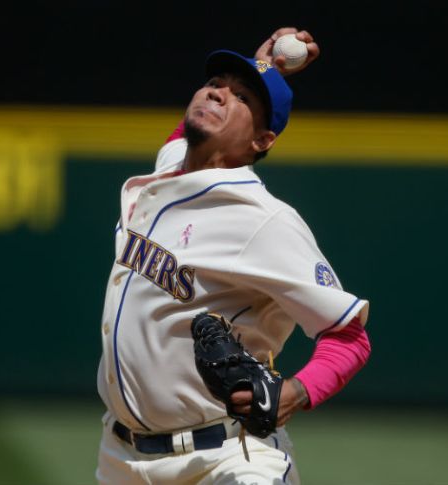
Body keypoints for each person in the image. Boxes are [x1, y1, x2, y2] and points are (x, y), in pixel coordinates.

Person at [96, 27, 371, 485]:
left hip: (225, 459)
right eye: (214, 84)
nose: (217, 94)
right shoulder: (171, 169)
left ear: (262, 140)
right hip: (121, 458)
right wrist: (261, 65)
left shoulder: (263, 220)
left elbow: (349, 337)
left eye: (240, 96)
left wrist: (297, 392)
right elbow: (190, 135)